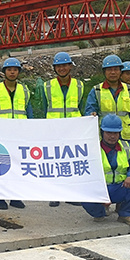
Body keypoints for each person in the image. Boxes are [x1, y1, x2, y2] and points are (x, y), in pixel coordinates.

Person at [79, 114, 130, 226]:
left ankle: (126, 214)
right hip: (100, 189)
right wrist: (100, 195)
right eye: (108, 132)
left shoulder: (126, 147)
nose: (112, 136)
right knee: (83, 190)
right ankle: (99, 213)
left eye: (115, 133)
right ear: (102, 132)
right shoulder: (92, 148)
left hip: (120, 187)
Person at [0, 57, 33, 211]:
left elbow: (29, 112)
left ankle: (15, 197)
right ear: (4, 72)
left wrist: (31, 132)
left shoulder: (24, 90)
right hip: (1, 134)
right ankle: (1, 198)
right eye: (9, 70)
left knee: (17, 166)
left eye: (15, 70)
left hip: (19, 135)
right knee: (1, 165)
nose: (12, 72)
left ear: (18, 72)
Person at [40, 51, 84, 207]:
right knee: (55, 162)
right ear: (54, 68)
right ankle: (55, 194)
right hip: (54, 130)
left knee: (71, 162)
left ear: (70, 66)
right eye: (59, 66)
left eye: (65, 65)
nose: (62, 68)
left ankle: (72, 194)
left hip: (73, 130)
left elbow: (81, 107)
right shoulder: (47, 86)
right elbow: (44, 108)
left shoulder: (79, 85)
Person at [84, 54, 130, 152]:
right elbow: (89, 112)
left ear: (120, 71)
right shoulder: (97, 90)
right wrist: (91, 114)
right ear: (104, 72)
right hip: (105, 137)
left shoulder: (129, 90)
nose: (113, 72)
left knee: (127, 160)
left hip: (125, 136)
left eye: (116, 69)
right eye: (109, 70)